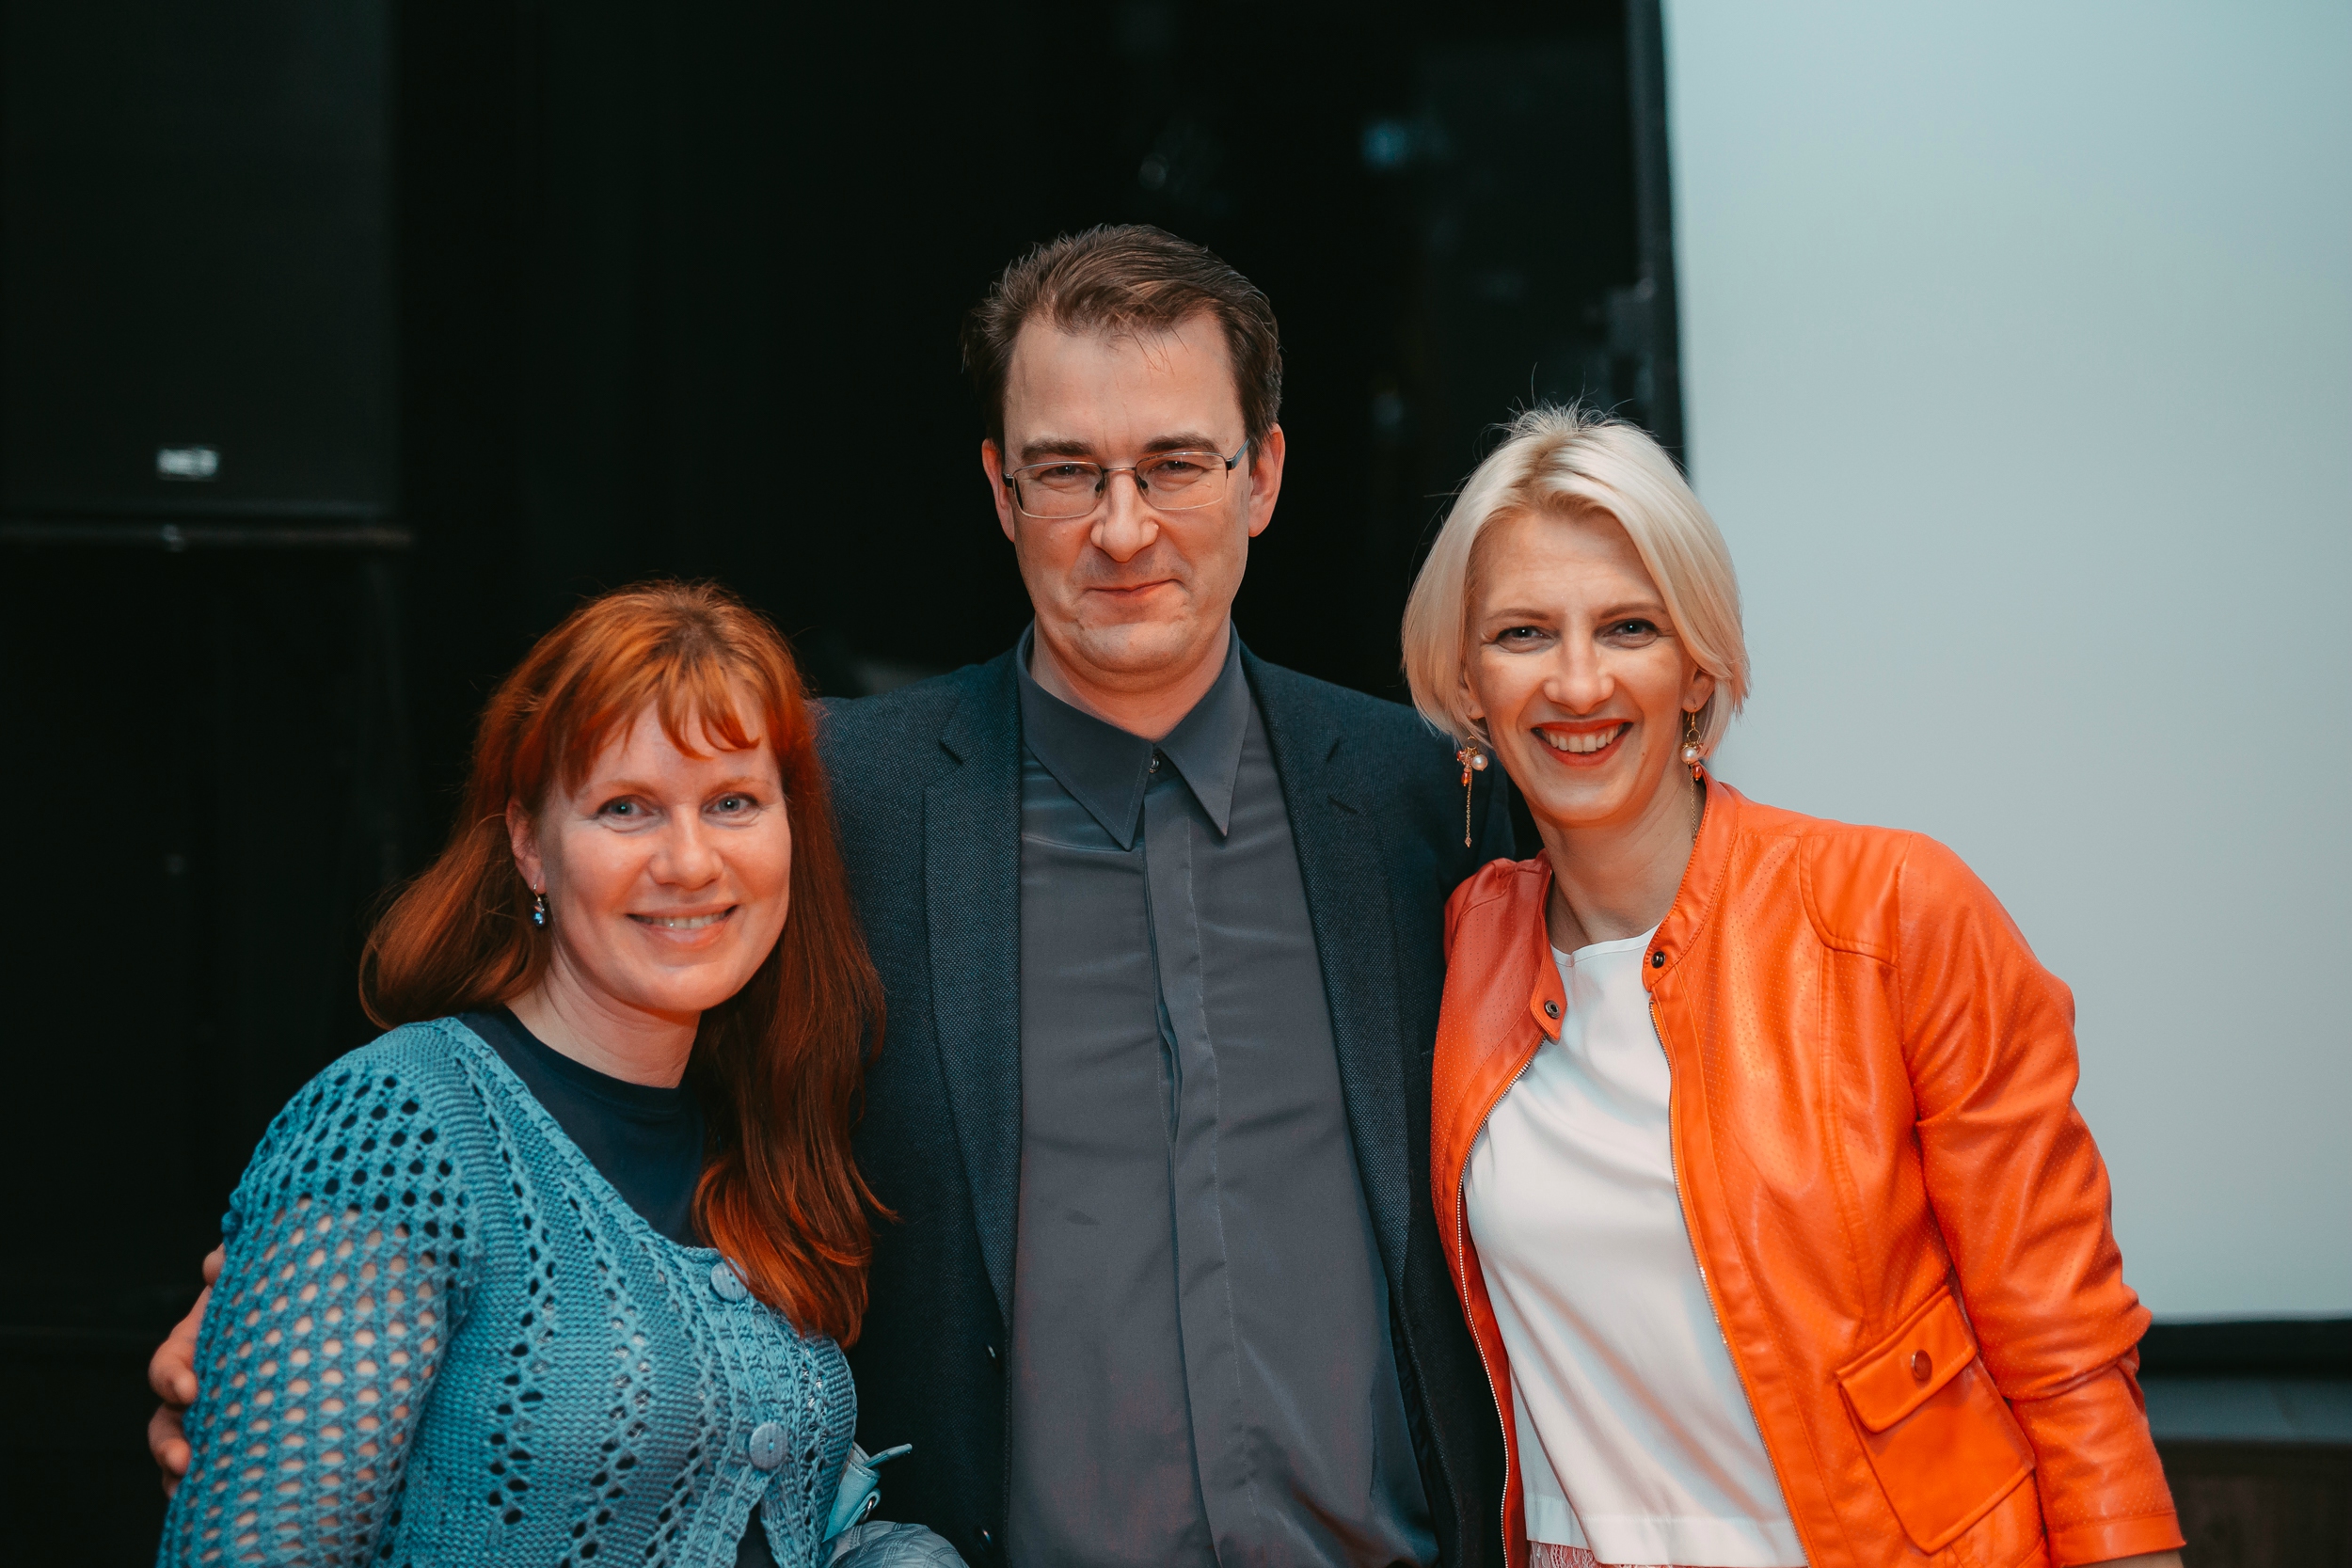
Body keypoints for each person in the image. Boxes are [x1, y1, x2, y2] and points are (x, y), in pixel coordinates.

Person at [153, 227, 1513, 1565]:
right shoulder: (823, 800)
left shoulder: (1424, 798)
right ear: (998, 489)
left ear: (1263, 473)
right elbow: (576, 1103)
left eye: (1174, 464)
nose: (1121, 526)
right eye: (1065, 470)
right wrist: (320, 1299)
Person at [1398, 405, 2185, 1568]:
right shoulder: (1462, 943)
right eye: (1522, 632)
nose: (1577, 679)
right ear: (1467, 681)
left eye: (1628, 625)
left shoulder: (1893, 913)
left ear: (1697, 665)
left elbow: (2065, 1350)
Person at [151, 583, 955, 1567]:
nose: (690, 860)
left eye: (732, 802)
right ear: (530, 845)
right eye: (626, 807)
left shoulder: (747, 1129)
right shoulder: (400, 1124)